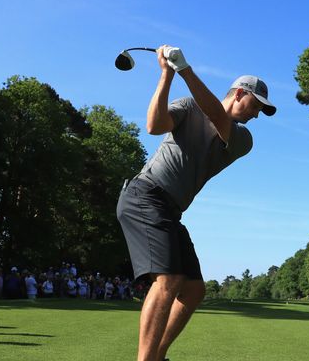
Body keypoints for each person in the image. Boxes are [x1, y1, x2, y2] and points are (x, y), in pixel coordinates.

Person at [116, 45, 275, 361]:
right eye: (256, 106)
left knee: (193, 290)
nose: (257, 114)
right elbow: (154, 125)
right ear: (240, 93)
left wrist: (183, 68)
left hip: (170, 210)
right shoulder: (188, 106)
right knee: (170, 279)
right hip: (145, 196)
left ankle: (158, 354)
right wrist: (165, 75)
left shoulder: (243, 139)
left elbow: (216, 114)